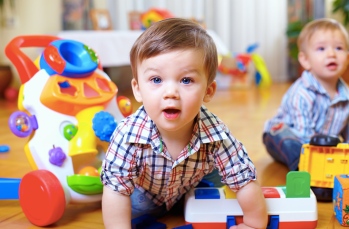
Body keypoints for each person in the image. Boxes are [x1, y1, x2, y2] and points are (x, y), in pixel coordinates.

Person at [101, 18, 267, 229]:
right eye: (156, 80)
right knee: (121, 200)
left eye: (186, 80)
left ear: (208, 91)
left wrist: (254, 224)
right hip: (144, 198)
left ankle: (198, 198)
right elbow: (116, 191)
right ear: (137, 89)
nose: (170, 93)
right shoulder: (127, 135)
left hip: (194, 187)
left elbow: (244, 179)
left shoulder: (216, 133)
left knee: (218, 186)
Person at [263, 18, 349, 171]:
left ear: (347, 58)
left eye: (338, 48)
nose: (331, 54)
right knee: (288, 141)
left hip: (324, 146)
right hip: (287, 137)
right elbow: (304, 136)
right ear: (305, 60)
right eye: (321, 49)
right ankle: (303, 168)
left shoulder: (346, 95)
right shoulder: (302, 93)